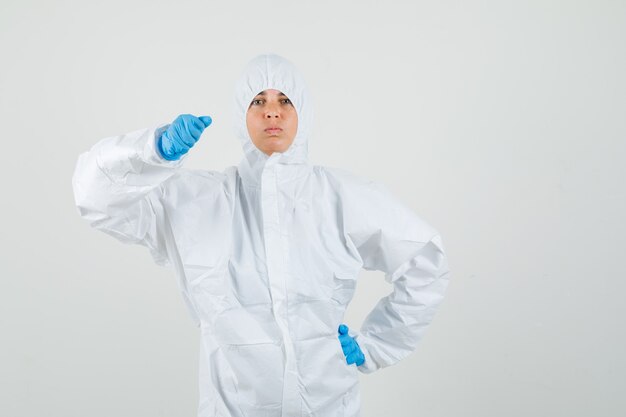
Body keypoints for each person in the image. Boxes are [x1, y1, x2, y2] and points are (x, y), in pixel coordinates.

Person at [72, 53, 451, 417]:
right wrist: (153, 150)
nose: (273, 111)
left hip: (331, 406)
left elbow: (424, 262)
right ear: (242, 115)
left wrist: (375, 346)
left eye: (285, 100)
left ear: (304, 112)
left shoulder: (341, 197)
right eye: (258, 100)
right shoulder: (197, 203)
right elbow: (96, 196)